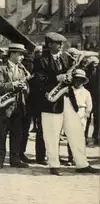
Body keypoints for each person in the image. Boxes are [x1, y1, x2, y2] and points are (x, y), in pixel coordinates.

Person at [34, 32, 99, 175]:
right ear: (50, 44)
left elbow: (69, 77)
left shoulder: (65, 58)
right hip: (50, 102)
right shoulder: (40, 60)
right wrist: (57, 78)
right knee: (52, 135)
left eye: (62, 43)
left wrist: (69, 77)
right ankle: (53, 165)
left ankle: (82, 163)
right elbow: (38, 80)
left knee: (76, 133)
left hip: (68, 99)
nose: (62, 46)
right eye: (59, 43)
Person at [0, 43, 30, 169]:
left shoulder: (21, 70)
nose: (22, 58)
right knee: (2, 134)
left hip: (18, 106)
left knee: (17, 134)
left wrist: (25, 88)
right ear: (13, 54)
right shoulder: (0, 68)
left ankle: (15, 160)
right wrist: (14, 84)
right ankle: (0, 160)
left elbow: (27, 89)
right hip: (4, 106)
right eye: (20, 55)